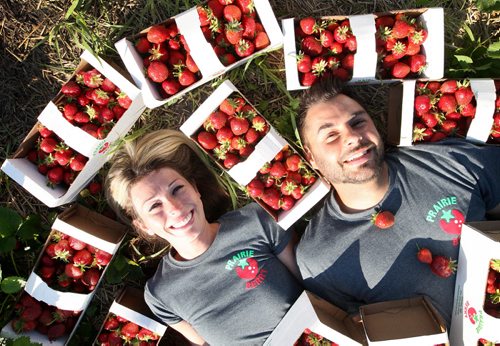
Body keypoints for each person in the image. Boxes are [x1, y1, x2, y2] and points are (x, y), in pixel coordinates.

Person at [294, 77, 500, 326]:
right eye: (330, 135)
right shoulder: (320, 259)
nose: (352, 137)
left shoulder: (448, 163)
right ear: (311, 157)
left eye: (358, 122)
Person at [105, 129, 303, 345]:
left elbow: (315, 288)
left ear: (195, 188)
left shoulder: (256, 221)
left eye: (177, 189)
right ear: (144, 225)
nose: (175, 208)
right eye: (154, 205)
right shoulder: (160, 295)